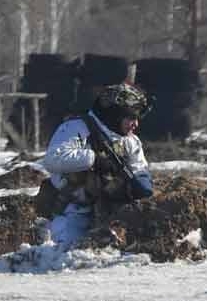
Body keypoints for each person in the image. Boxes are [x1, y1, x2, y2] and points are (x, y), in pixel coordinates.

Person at [37, 82, 154, 247]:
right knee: (68, 255)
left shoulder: (130, 141)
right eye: (130, 118)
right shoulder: (77, 128)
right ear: (115, 115)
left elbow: (139, 167)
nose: (135, 124)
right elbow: (52, 159)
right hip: (73, 212)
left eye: (137, 119)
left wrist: (141, 181)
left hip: (112, 213)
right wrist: (93, 159)